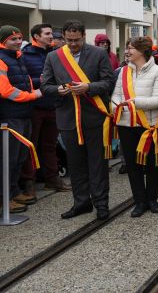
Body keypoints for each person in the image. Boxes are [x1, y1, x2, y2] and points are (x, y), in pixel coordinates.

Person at [41, 20, 114, 220]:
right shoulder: (53, 57)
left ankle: (101, 204)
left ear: (84, 36)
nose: (73, 44)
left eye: (77, 40)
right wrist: (59, 90)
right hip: (68, 117)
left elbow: (108, 82)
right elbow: (45, 86)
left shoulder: (98, 54)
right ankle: (81, 203)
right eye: (69, 40)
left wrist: (88, 87)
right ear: (63, 37)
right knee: (75, 164)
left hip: (94, 116)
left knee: (97, 164)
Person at [0, 26, 42, 213]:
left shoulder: (15, 57)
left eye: (19, 38)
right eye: (13, 39)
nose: (18, 42)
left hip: (22, 114)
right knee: (8, 159)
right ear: (2, 41)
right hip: (8, 116)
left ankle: (14, 191)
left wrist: (30, 94)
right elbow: (5, 90)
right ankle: (3, 199)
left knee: (19, 157)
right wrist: (32, 96)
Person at [112, 36, 158, 217]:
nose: (127, 52)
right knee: (133, 165)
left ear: (142, 51)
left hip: (148, 126)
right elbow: (116, 95)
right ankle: (139, 201)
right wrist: (115, 106)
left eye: (130, 48)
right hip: (126, 125)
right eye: (127, 48)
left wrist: (134, 102)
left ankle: (152, 199)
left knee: (152, 163)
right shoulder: (123, 71)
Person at [20, 23, 70, 195]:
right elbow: (21, 79)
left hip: (53, 104)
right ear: (36, 36)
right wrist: (39, 80)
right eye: (47, 34)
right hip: (34, 106)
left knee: (50, 145)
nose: (51, 36)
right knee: (31, 145)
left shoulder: (54, 54)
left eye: (51, 33)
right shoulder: (25, 55)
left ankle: (52, 179)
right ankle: (29, 182)